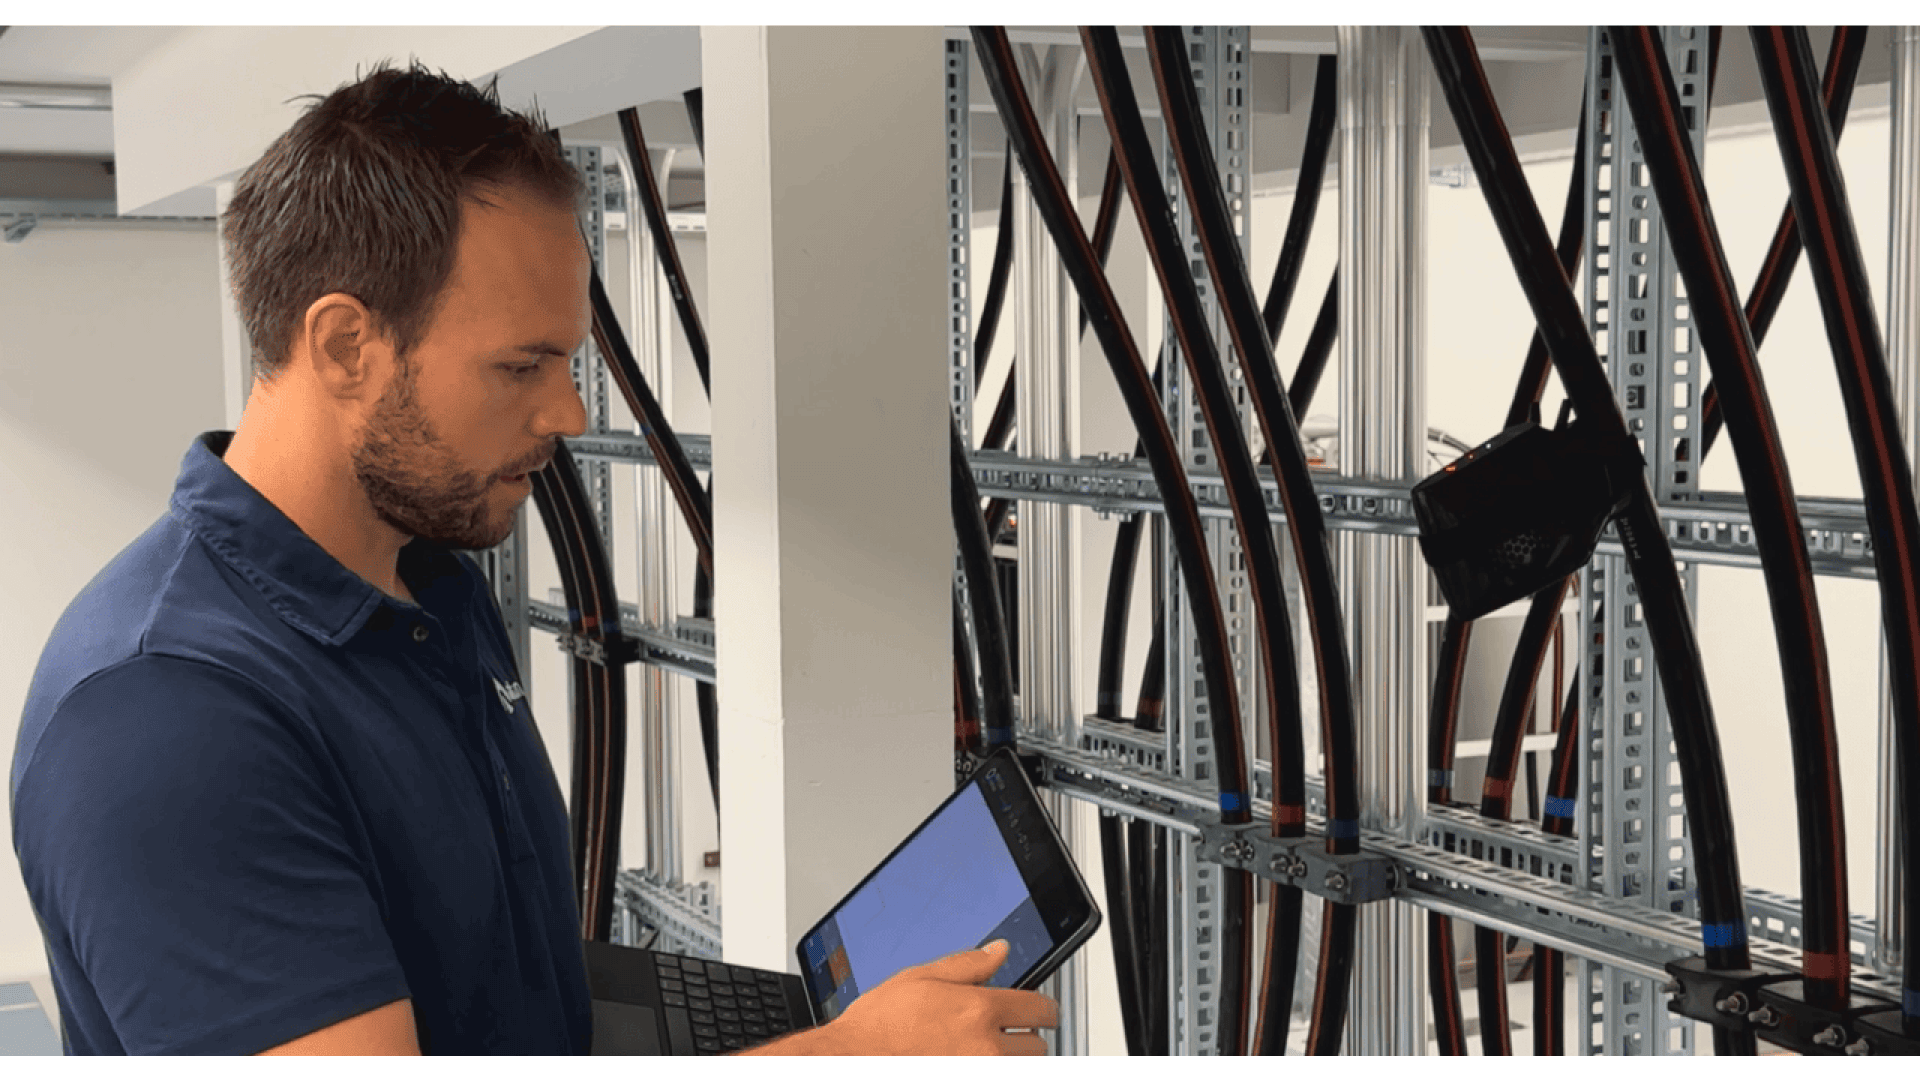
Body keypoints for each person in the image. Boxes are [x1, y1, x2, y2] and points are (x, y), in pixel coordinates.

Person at [9, 59, 1057, 1057]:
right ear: (342, 347)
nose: (566, 411)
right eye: (522, 364)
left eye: (568, 361)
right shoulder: (166, 719)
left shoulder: (424, 579)